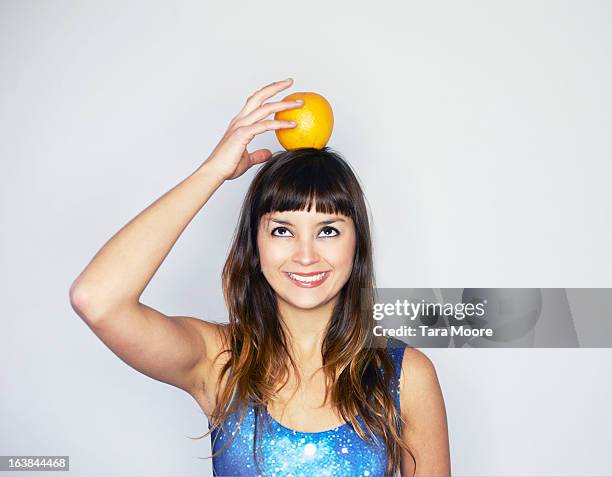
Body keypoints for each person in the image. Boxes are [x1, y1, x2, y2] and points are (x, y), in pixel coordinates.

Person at [69, 78, 451, 477]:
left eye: (328, 230)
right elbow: (97, 298)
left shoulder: (406, 376)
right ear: (255, 245)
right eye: (282, 230)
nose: (306, 255)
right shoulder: (220, 362)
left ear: (357, 245)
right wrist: (214, 171)